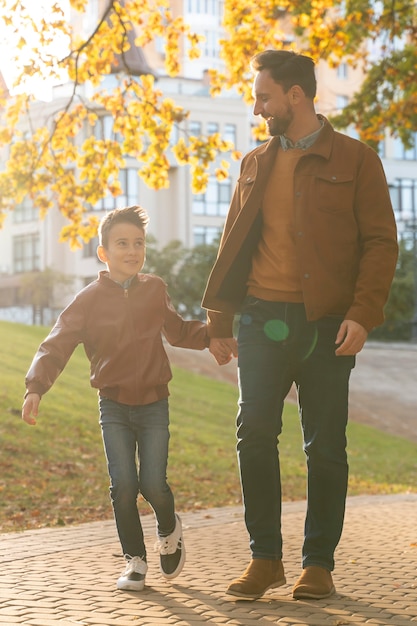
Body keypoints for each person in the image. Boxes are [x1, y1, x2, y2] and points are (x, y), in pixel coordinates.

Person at [203, 50, 398, 601]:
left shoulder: (357, 160)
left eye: (264, 96)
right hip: (262, 317)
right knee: (254, 433)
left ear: (295, 96)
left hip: (327, 322)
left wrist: (363, 313)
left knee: (325, 444)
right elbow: (233, 243)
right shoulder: (255, 163)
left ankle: (319, 563)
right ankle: (264, 559)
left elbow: (381, 243)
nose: (258, 106)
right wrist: (220, 318)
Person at [22, 205, 210, 592]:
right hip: (114, 405)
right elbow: (56, 343)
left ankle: (169, 528)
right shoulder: (88, 300)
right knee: (123, 484)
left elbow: (177, 331)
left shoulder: (155, 288)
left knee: (153, 484)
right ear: (103, 252)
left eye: (138, 243)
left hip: (155, 403)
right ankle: (135, 560)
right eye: (122, 243)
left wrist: (215, 335)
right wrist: (35, 388)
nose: (132, 250)